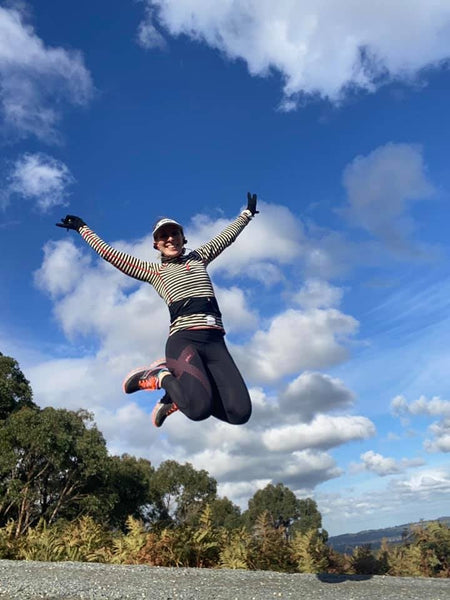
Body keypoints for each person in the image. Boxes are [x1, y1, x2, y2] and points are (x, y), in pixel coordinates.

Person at [56, 192, 258, 428]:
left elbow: (226, 236)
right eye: (163, 236)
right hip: (185, 340)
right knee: (198, 409)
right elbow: (111, 255)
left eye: (174, 233)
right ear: (156, 244)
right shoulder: (154, 271)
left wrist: (247, 214)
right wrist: (82, 228)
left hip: (215, 342)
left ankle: (177, 396)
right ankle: (159, 376)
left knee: (239, 413)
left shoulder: (199, 257)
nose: (170, 238)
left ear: (184, 238)